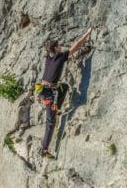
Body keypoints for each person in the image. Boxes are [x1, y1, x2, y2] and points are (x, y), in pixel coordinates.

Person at [38, 27, 93, 158]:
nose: (61, 46)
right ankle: (44, 150)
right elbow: (77, 45)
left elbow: (50, 49)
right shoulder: (60, 57)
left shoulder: (49, 58)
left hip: (43, 90)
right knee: (50, 122)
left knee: (65, 87)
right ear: (56, 49)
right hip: (49, 94)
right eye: (58, 46)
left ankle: (56, 107)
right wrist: (87, 33)